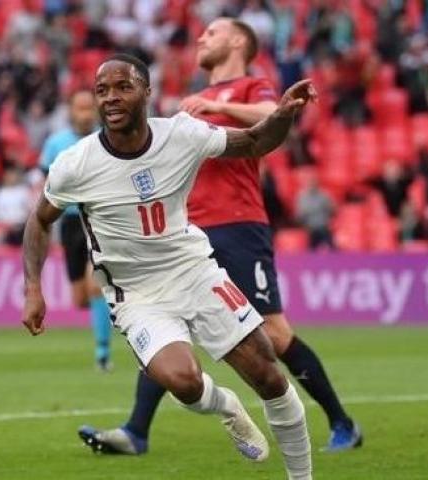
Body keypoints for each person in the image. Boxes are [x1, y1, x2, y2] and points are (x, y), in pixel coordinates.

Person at [22, 53, 316, 479]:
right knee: (184, 380)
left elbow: (254, 141)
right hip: (137, 295)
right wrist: (33, 287)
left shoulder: (181, 135)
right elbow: (38, 220)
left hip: (194, 273)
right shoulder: (76, 163)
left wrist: (285, 113)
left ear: (146, 91)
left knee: (268, 376)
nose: (111, 98)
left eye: (122, 86)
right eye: (102, 90)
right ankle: (227, 406)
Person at [78, 18, 361, 454]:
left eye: (212, 33)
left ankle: (343, 423)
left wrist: (218, 108)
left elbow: (272, 119)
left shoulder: (252, 86)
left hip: (238, 224)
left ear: (237, 41)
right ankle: (137, 431)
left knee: (274, 332)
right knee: (162, 320)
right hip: (188, 229)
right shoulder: (193, 100)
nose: (201, 38)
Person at [38, 89, 113, 371]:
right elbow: (45, 183)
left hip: (98, 217)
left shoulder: (106, 139)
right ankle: (117, 315)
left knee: (95, 287)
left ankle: (102, 354)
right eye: (79, 108)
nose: (85, 114)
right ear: (70, 111)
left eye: (89, 108)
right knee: (80, 297)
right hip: (69, 221)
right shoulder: (56, 143)